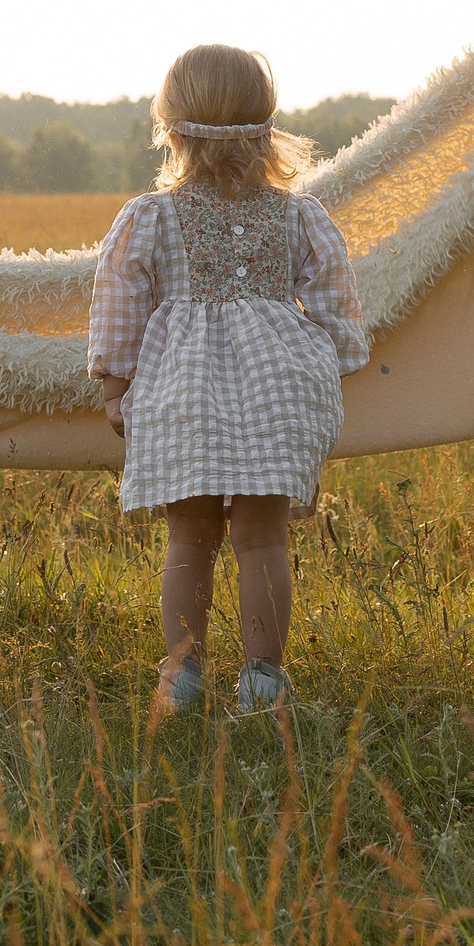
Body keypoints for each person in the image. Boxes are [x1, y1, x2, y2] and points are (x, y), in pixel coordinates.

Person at [89, 45, 368, 714]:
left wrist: (114, 383)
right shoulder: (298, 214)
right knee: (262, 537)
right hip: (278, 388)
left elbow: (118, 299)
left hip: (181, 388)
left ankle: (181, 678)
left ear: (173, 128)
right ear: (267, 126)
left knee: (189, 536)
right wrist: (333, 361)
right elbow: (336, 298)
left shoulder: (149, 217)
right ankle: (262, 680)